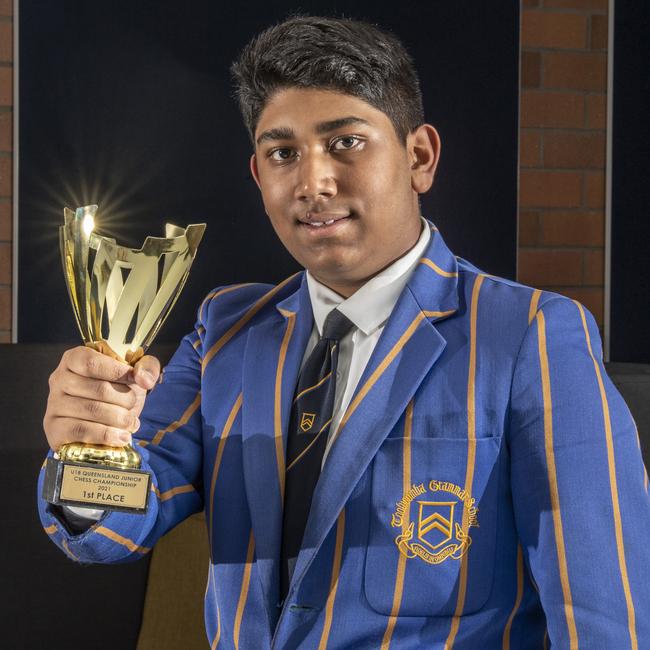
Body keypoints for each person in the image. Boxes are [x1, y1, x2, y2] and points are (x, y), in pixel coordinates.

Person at [38, 15, 650, 650]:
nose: (312, 183)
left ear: (419, 157)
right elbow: (117, 523)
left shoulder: (529, 336)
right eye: (283, 154)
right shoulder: (228, 331)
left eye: (345, 143)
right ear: (258, 175)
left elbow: (605, 616)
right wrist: (85, 449)